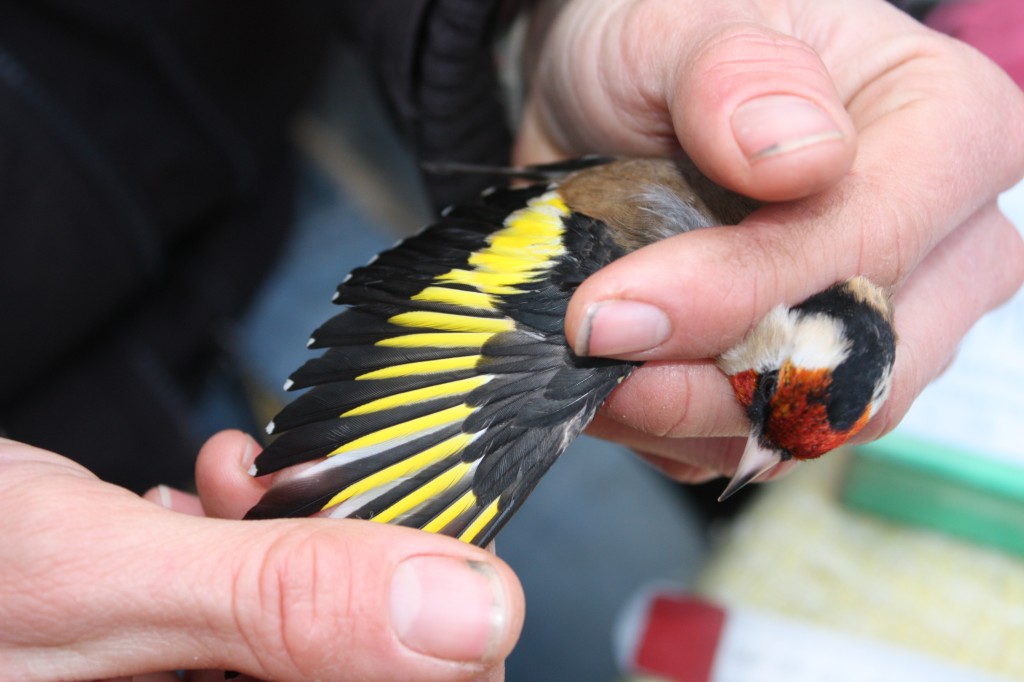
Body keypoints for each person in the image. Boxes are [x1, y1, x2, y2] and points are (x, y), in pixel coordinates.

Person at [1, 1, 1021, 680]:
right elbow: (488, 392)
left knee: (616, 593)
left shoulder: (791, 258)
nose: (757, 440)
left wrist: (541, 23)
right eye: (778, 404)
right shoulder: (648, 277)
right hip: (503, 271)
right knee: (478, 579)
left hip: (220, 182)